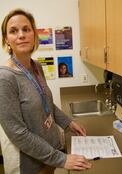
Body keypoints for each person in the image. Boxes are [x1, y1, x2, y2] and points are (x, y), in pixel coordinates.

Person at [0, 8, 92, 174]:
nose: (21, 35)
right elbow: (18, 134)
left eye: (26, 29)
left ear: (34, 35)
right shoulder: (5, 78)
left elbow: (46, 103)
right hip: (30, 164)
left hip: (49, 153)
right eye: (13, 31)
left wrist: (68, 123)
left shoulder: (36, 66)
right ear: (6, 39)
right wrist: (62, 159)